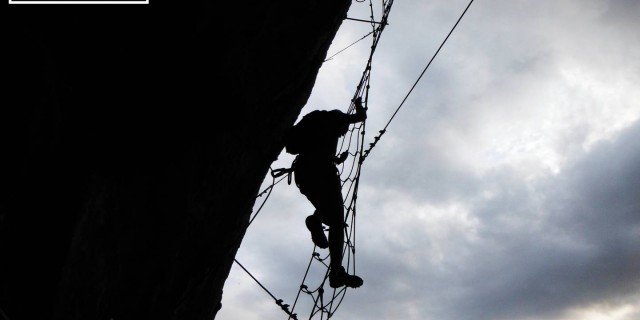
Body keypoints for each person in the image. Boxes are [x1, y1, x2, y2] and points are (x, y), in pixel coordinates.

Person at [283, 97, 367, 289]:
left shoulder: (316, 125)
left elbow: (307, 149)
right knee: (337, 222)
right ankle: (336, 271)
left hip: (304, 172)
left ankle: (317, 220)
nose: (343, 133)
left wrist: (338, 160)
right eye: (344, 131)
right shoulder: (337, 119)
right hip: (324, 172)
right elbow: (361, 117)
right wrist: (359, 104)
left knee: (328, 211)